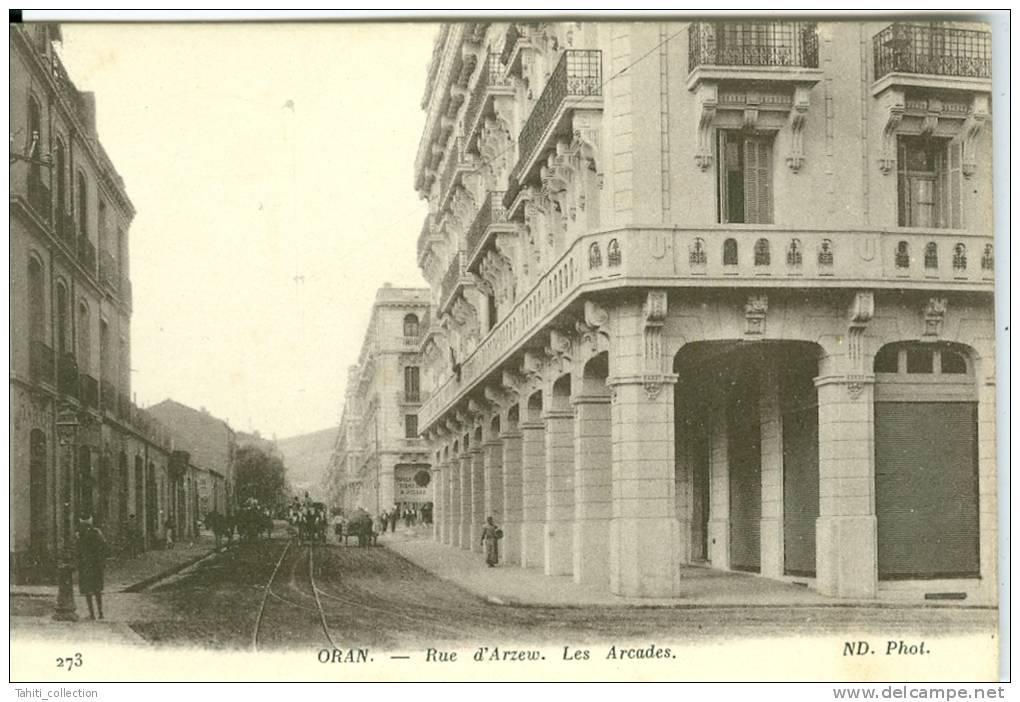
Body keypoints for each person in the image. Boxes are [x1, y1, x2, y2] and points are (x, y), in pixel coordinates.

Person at [75, 517, 108, 620]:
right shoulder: (97, 533)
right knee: (97, 590)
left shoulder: (80, 535)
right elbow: (104, 547)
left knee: (88, 591)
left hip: (86, 566)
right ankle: (100, 613)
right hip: (97, 566)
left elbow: (78, 551)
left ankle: (92, 614)